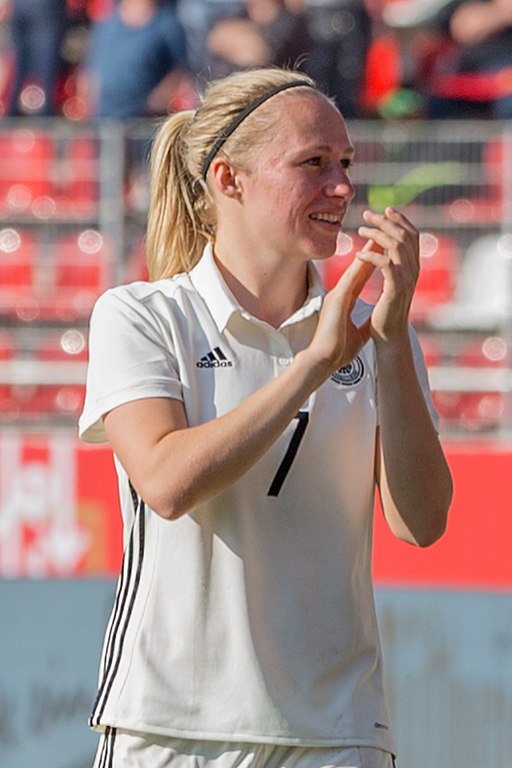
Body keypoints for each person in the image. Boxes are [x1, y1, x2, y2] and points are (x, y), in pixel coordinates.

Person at [79, 66, 453, 768]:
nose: (341, 187)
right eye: (313, 163)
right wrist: (312, 363)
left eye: (345, 163)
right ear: (229, 179)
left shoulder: (380, 334)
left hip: (339, 733)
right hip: (174, 730)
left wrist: (393, 341)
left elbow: (422, 522)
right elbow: (166, 481)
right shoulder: (141, 317)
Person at [79, 0, 192, 118]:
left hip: (142, 123)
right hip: (102, 120)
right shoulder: (107, 23)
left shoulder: (168, 25)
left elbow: (181, 69)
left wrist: (159, 100)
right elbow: (89, 68)